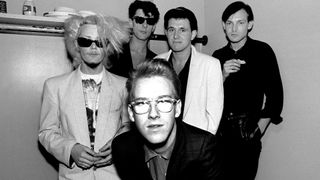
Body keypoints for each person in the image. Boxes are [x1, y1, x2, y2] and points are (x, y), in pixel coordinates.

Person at [38, 14, 130, 180]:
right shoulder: (54, 86)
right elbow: (46, 132)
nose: (93, 47)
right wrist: (71, 149)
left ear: (107, 46)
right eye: (86, 41)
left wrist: (118, 146)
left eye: (100, 41)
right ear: (76, 45)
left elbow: (129, 127)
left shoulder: (124, 86)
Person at [112, 59, 223, 180]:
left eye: (163, 101)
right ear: (131, 113)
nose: (153, 114)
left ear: (177, 108)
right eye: (142, 103)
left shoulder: (202, 148)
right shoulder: (123, 148)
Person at [212, 1, 284, 180]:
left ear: (250, 24)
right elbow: (207, 97)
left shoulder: (263, 51)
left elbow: (276, 97)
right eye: (229, 23)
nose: (234, 28)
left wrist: (257, 131)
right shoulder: (217, 56)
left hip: (248, 135)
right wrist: (222, 75)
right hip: (218, 136)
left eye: (240, 22)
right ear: (223, 25)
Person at [155, 7, 224, 135]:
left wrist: (202, 146)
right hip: (162, 138)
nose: (176, 36)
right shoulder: (156, 62)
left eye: (182, 30)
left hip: (196, 143)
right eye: (171, 30)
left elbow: (214, 115)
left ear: (193, 34)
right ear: (166, 32)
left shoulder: (210, 65)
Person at [108, 0, 160, 77]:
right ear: (131, 22)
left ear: (154, 27)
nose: (145, 25)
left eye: (150, 21)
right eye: (140, 20)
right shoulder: (114, 54)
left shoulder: (156, 60)